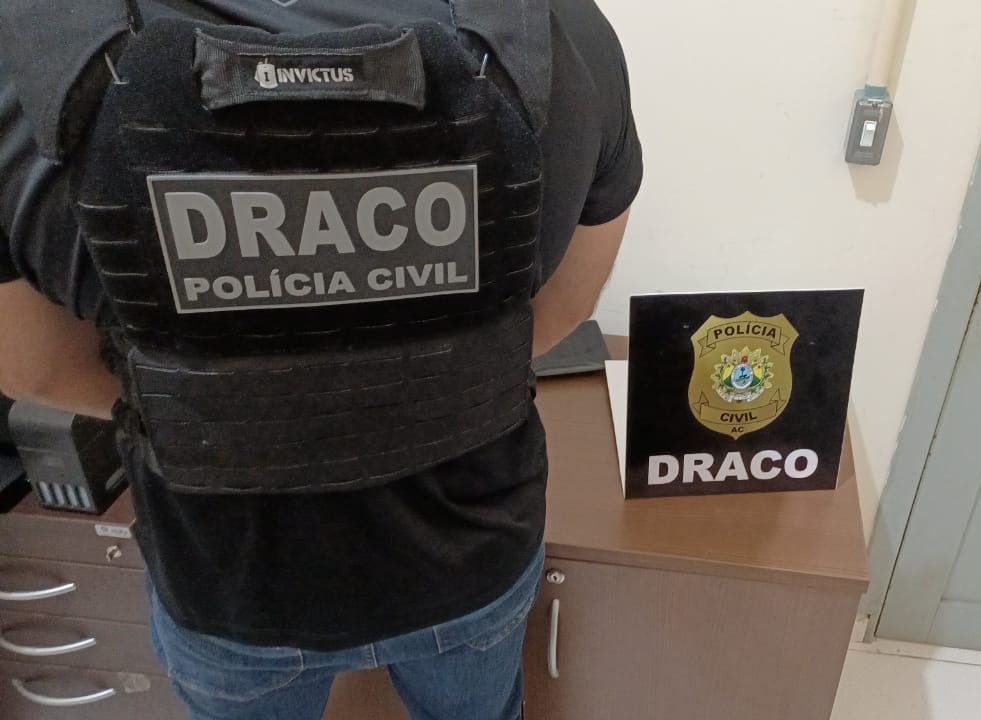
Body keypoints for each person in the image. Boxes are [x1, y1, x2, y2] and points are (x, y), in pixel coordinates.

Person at [0, 1, 641, 718]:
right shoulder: (560, 32)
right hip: (471, 557)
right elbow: (559, 314)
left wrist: (237, 412)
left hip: (231, 588)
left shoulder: (23, 55)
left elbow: (35, 368)